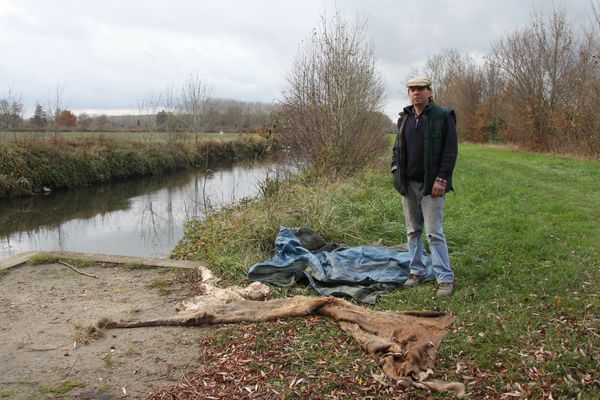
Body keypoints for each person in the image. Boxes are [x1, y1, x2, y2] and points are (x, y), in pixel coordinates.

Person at [390, 76, 458, 297]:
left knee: (434, 233)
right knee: (412, 231)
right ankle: (416, 272)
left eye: (420, 89)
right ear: (409, 93)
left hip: (431, 186)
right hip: (408, 185)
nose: (416, 93)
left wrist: (442, 179)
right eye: (412, 89)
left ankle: (444, 279)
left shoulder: (443, 116)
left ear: (429, 91)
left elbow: (450, 151)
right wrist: (394, 167)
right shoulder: (404, 119)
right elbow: (396, 148)